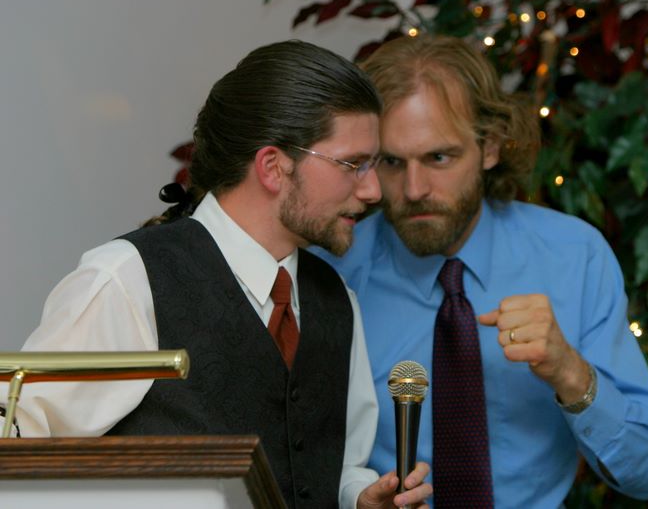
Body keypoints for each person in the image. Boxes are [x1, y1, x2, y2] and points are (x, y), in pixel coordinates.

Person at [0, 40, 432, 509]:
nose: (373, 191)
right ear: (273, 167)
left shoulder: (335, 299)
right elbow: (19, 447)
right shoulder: (127, 281)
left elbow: (336, 465)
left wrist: (358, 498)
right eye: (353, 165)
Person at [313, 34, 648, 507]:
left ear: (490, 147)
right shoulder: (331, 271)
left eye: (439, 157)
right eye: (392, 162)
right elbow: (297, 460)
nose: (414, 189)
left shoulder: (574, 256)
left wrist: (569, 371)